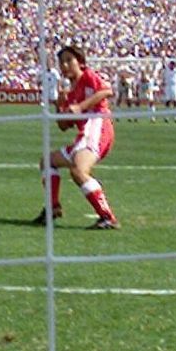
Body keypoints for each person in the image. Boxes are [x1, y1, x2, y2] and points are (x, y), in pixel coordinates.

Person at [32, 45, 120, 230]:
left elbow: (106, 91)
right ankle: (53, 207)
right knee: (48, 161)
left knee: (79, 171)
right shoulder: (70, 93)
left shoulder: (88, 76)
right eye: (61, 62)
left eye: (69, 60)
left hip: (98, 125)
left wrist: (80, 106)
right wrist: (60, 106)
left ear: (79, 62)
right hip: (85, 134)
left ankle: (108, 217)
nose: (64, 65)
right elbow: (64, 126)